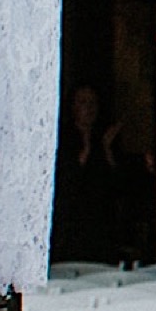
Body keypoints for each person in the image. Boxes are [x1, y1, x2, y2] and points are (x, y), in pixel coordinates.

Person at [51, 83, 123, 263]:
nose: (89, 108)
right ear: (73, 107)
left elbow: (117, 185)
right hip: (71, 227)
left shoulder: (104, 138)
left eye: (93, 103)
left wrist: (106, 148)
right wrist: (84, 153)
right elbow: (67, 183)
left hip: (100, 225)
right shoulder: (63, 138)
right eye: (83, 102)